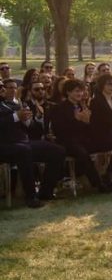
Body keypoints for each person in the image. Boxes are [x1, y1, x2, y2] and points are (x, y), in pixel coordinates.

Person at [50, 79, 112, 193]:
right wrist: (77, 120)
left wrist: (88, 122)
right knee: (82, 153)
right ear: (68, 92)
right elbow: (59, 131)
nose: (80, 94)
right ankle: (99, 185)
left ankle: (108, 175)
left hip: (86, 140)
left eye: (82, 91)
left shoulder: (84, 106)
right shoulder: (59, 108)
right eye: (76, 91)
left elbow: (91, 128)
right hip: (68, 142)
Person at [0, 79, 64, 207]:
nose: (4, 89)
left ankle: (46, 191)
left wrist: (30, 120)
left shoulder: (17, 104)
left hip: (23, 143)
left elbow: (34, 130)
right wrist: (16, 117)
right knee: (24, 151)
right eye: (6, 87)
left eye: (13, 87)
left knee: (57, 150)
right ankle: (31, 197)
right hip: (4, 146)